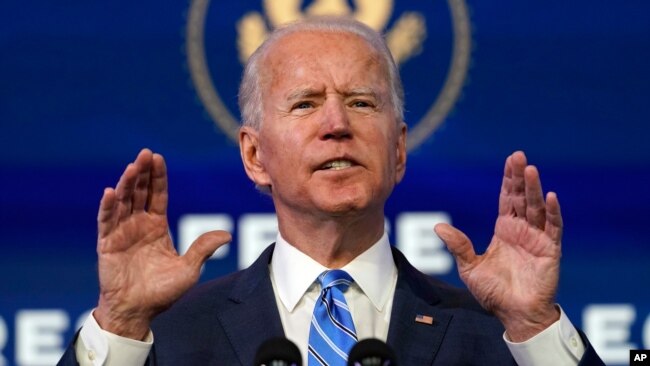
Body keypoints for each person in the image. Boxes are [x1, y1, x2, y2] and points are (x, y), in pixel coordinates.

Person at [58, 17, 604, 365]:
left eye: (363, 102)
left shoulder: (497, 335)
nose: (337, 123)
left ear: (397, 151)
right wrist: (122, 325)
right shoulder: (168, 338)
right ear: (254, 155)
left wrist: (535, 327)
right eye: (305, 103)